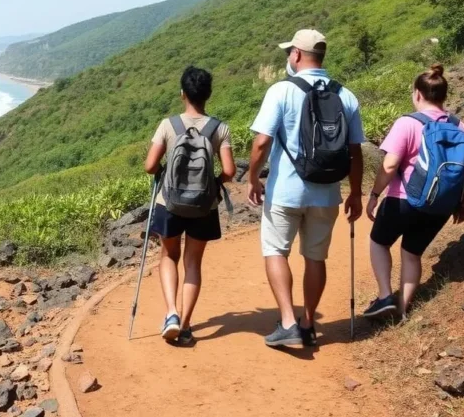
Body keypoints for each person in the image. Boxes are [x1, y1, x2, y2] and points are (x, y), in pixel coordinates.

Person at [246, 29, 365, 348]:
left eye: (289, 52)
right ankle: (309, 323)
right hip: (327, 193)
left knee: (275, 250)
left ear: (297, 54)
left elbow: (261, 142)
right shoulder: (346, 95)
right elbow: (355, 151)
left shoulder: (281, 91)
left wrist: (253, 177)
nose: (288, 57)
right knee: (315, 258)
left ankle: (287, 322)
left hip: (285, 191)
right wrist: (355, 192)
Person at [363, 64, 464, 320]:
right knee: (412, 254)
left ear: (417, 93)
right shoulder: (463, 128)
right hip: (440, 206)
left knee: (379, 242)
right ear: (443, 95)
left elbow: (390, 164)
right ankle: (402, 309)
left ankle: (385, 297)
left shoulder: (407, 123)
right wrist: (463, 202)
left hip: (402, 201)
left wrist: (374, 195)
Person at [144, 66, 236, 344]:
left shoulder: (168, 125)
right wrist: (213, 183)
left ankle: (171, 312)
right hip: (203, 207)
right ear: (207, 95)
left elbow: (149, 166)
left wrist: (164, 170)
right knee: (193, 262)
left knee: (169, 256)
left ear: (182, 93)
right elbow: (230, 171)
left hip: (169, 202)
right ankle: (184, 325)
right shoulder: (219, 128)